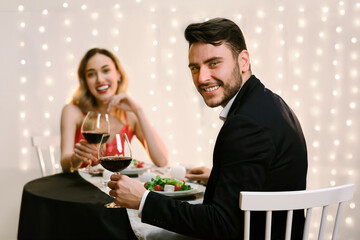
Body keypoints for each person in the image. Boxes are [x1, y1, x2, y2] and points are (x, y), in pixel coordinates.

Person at [108, 18, 308, 239]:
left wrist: (143, 199)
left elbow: (221, 224)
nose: (202, 78)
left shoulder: (246, 123)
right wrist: (219, 176)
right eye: (195, 67)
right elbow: (267, 178)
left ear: (243, 61)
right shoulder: (270, 103)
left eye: (214, 63)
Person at [60, 48, 168, 173]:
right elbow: (65, 165)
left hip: (114, 189)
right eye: (91, 74)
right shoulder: (73, 111)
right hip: (81, 188)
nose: (99, 79)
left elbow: (162, 161)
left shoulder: (130, 115)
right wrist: (76, 159)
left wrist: (138, 111)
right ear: (85, 81)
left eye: (106, 70)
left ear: (118, 74)